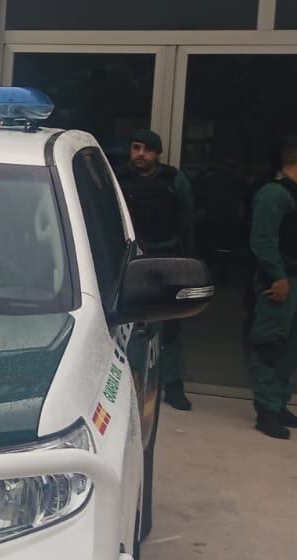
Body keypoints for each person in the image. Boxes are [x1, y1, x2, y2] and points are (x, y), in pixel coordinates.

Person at [246, 134, 297, 439]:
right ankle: (266, 412)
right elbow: (262, 241)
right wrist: (277, 277)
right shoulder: (273, 194)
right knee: (270, 345)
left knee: (291, 348)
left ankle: (279, 404)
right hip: (283, 281)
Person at [115, 129, 196, 411]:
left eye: (146, 150)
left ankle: (173, 386)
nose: (140, 154)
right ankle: (130, 385)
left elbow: (187, 221)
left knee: (170, 327)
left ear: (157, 154)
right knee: (130, 325)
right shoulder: (118, 179)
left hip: (167, 258)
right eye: (135, 148)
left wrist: (187, 260)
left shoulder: (174, 180)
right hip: (132, 259)